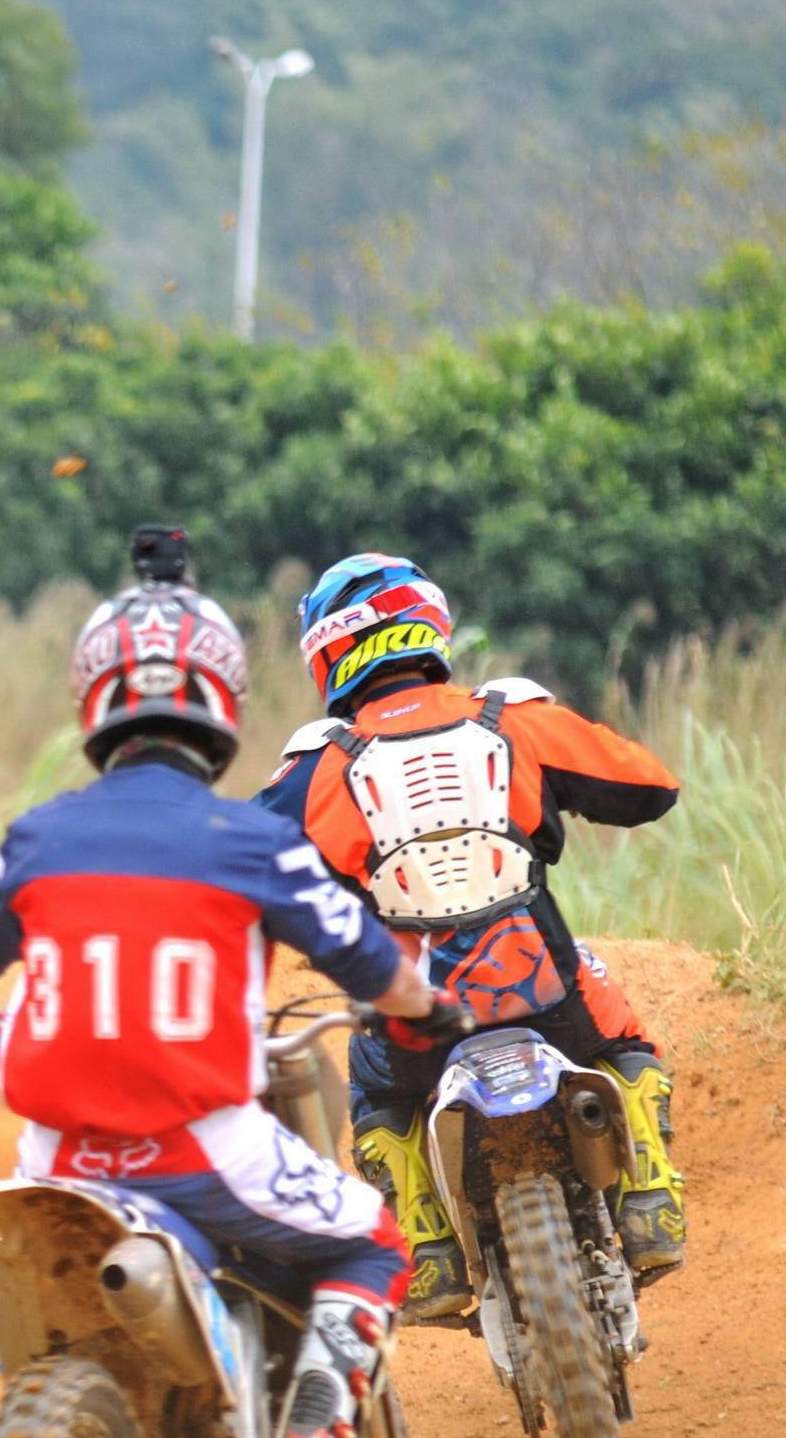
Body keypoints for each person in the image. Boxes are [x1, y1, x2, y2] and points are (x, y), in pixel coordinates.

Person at [0, 583, 470, 1438]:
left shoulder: (38, 834)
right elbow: (370, 962)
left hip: (51, 1163)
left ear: (93, 700)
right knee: (371, 1241)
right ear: (223, 700)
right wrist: (427, 1006)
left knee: (58, 1312)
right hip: (199, 1148)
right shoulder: (253, 840)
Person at [254, 554, 684, 1309]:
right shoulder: (511, 717)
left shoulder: (316, 767)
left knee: (375, 1091)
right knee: (622, 1039)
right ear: (429, 624)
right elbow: (650, 787)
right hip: (547, 992)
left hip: (414, 1026)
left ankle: (428, 1250)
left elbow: (238, 878)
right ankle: (648, 1199)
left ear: (327, 650)